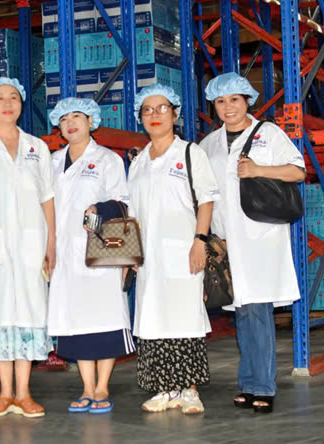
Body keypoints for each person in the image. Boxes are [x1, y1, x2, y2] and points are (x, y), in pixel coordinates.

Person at [200, 72, 305, 414]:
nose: (227, 107)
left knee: (257, 311)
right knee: (242, 313)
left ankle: (262, 386)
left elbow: (298, 171)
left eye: (234, 99)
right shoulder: (209, 144)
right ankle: (248, 383)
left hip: (260, 239)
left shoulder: (268, 133)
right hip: (227, 241)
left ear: (247, 100)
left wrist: (259, 170)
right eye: (220, 101)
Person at [0, 77, 55, 418]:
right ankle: (5, 393)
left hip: (32, 242)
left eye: (14, 97)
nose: (7, 103)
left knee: (30, 311)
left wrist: (51, 242)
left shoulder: (37, 147)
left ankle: (25, 393)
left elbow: (47, 197)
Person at [127, 84, 220, 415]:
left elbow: (206, 200)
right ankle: (164, 388)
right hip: (148, 257)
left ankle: (189, 389)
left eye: (162, 108)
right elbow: (133, 214)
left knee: (184, 316)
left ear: (175, 114)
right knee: (152, 317)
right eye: (147, 110)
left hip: (183, 250)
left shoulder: (190, 153)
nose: (155, 115)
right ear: (140, 117)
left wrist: (199, 241)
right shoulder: (138, 162)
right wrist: (131, 253)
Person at [47, 98, 135, 415]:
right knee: (76, 321)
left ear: (91, 121)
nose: (70, 123)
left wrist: (99, 209)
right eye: (64, 119)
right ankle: (86, 387)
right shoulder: (52, 161)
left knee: (105, 316)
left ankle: (102, 387)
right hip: (64, 254)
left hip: (101, 250)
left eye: (77, 117)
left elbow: (123, 202)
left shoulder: (107, 159)